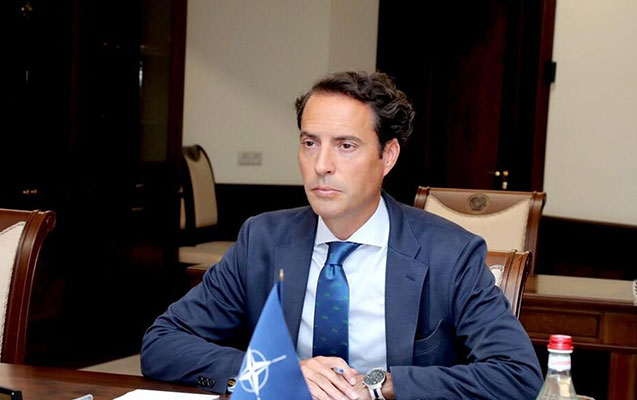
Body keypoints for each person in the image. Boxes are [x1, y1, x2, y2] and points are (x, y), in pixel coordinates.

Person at [141, 71, 543, 399]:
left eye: (345, 145)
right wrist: (277, 372)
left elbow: (517, 374)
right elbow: (162, 344)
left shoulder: (449, 252)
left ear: (388, 156)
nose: (322, 165)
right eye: (309, 143)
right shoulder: (262, 239)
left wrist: (381, 384)